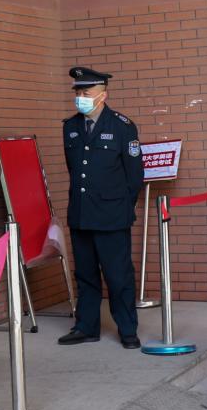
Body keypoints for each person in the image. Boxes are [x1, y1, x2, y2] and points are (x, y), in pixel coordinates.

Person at [56, 66, 143, 350]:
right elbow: (75, 170)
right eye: (78, 92)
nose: (81, 97)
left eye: (87, 92)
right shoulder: (70, 127)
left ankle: (127, 329)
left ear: (102, 95)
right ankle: (86, 327)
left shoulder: (122, 126)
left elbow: (134, 176)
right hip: (81, 214)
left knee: (118, 276)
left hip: (112, 216)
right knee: (85, 275)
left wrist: (120, 208)